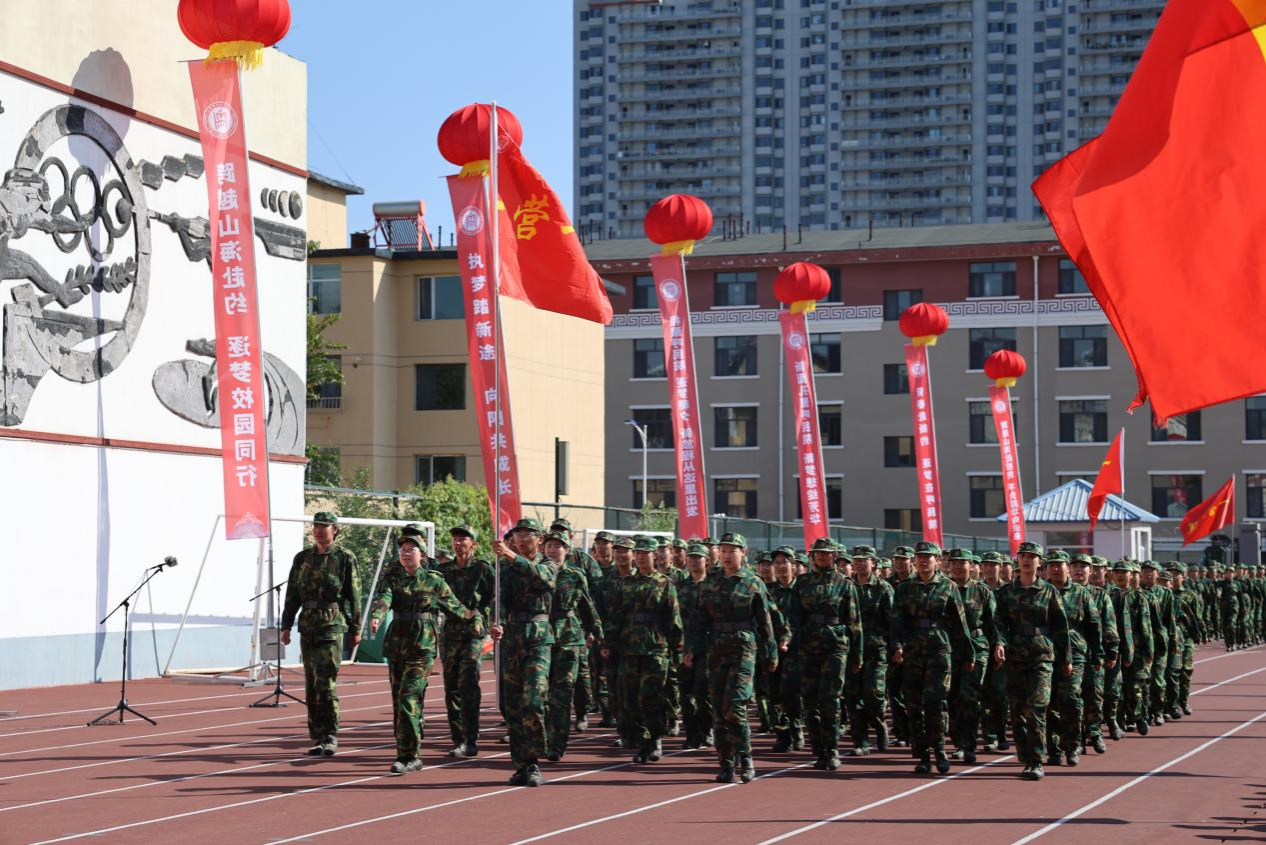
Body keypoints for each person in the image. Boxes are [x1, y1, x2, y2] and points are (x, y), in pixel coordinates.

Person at [369, 533, 479, 774]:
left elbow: (454, 606)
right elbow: (383, 598)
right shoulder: (393, 577)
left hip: (422, 647)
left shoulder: (434, 580)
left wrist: (476, 618)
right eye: (403, 550)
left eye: (411, 549)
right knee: (400, 702)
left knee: (408, 698)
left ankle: (409, 756)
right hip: (397, 646)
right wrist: (377, 616)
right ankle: (408, 745)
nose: (406, 553)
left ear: (422, 555)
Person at [686, 533, 778, 784]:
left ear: (743, 553)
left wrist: (771, 651)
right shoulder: (711, 582)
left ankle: (745, 757)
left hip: (743, 648)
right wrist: (690, 648)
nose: (726, 556)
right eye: (723, 551)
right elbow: (698, 619)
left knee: (735, 707)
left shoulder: (753, 582)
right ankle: (726, 764)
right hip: (716, 649)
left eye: (732, 551)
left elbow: (765, 621)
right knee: (718, 710)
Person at [280, 511, 361, 757]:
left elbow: (354, 595)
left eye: (323, 526)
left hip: (332, 625)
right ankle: (317, 735)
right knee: (311, 682)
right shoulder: (302, 558)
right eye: (315, 526)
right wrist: (286, 625)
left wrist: (356, 628)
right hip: (308, 625)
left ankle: (330, 735)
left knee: (326, 681)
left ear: (334, 529)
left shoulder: (345, 558)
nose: (317, 530)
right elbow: (292, 593)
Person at [890, 541, 974, 775]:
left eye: (928, 557)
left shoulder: (948, 587)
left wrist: (968, 652)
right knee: (914, 705)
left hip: (939, 651)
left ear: (938, 561)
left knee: (935, 703)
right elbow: (897, 621)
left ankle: (939, 750)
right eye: (919, 557)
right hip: (913, 653)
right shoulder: (904, 588)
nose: (923, 561)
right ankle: (922, 756)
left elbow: (960, 623)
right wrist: (896, 646)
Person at [489, 518, 558, 787]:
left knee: (534, 699)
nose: (521, 538)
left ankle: (536, 756)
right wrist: (496, 623)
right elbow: (499, 602)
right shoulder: (505, 569)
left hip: (538, 637)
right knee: (513, 705)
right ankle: (523, 763)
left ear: (540, 539)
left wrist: (510, 555)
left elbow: (542, 579)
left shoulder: (548, 564)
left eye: (527, 534)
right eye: (517, 534)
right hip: (512, 639)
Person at [995, 542, 1071, 781]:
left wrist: (1066, 658)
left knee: (1037, 707)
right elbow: (998, 623)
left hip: (1042, 656)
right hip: (1015, 657)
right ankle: (1025, 757)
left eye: (1032, 557)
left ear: (1040, 563)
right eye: (1023, 556)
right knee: (1018, 711)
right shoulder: (1005, 593)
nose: (1027, 560)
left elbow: (1060, 626)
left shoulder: (1049, 591)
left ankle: (1036, 760)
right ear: (1017, 560)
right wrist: (999, 643)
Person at [787, 537, 862, 771]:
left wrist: (857, 653)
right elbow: (794, 617)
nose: (821, 556)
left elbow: (854, 621)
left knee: (830, 700)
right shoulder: (802, 582)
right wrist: (790, 644)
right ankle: (818, 750)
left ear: (834, 556)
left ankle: (832, 749)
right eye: (817, 553)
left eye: (826, 553)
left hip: (835, 645)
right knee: (810, 701)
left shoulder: (845, 583)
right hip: (808, 646)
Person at [606, 536, 682, 764]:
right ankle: (643, 742)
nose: (640, 557)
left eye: (645, 553)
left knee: (649, 697)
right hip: (629, 648)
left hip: (655, 648)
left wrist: (677, 650)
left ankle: (655, 738)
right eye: (637, 553)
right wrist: (609, 644)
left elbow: (673, 619)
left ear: (654, 556)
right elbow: (615, 616)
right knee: (629, 699)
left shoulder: (664, 583)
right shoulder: (626, 583)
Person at [542, 530, 602, 762]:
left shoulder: (575, 575)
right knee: (541, 694)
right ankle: (543, 738)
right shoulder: (536, 572)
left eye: (557, 546)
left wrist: (595, 631)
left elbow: (586, 605)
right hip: (541, 636)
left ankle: (557, 744)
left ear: (567, 550)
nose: (552, 550)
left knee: (562, 694)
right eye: (549, 545)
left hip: (568, 638)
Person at [437, 524, 495, 759]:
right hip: (450, 632)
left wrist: (494, 621)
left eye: (463, 539)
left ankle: (470, 739)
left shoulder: (483, 568)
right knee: (451, 686)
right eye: (455, 539)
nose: (458, 542)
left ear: (474, 544)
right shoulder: (444, 570)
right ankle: (458, 739)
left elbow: (496, 597)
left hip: (473, 632)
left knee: (468, 684)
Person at [1043, 551, 1102, 768]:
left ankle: (1073, 745)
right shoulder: (1041, 591)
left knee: (1071, 700)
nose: (1055, 569)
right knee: (1049, 702)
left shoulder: (1080, 593)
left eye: (1059, 565)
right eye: (1051, 565)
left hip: (1075, 652)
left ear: (1067, 568)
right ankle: (1054, 748)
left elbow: (1094, 625)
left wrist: (1097, 653)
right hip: (1046, 652)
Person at [947, 548, 998, 764]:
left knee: (970, 697)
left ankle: (968, 745)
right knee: (951, 698)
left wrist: (998, 645)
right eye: (954, 563)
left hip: (976, 648)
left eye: (963, 563)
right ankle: (957, 740)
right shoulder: (943, 588)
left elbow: (993, 622)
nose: (958, 567)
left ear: (971, 566)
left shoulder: (981, 591)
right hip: (948, 648)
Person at [846, 544, 893, 756]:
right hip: (851, 649)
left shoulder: (883, 588)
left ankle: (879, 726)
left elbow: (893, 621)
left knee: (874, 694)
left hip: (876, 649)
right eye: (856, 560)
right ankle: (861, 741)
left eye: (864, 560)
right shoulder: (846, 586)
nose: (859, 564)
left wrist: (895, 647)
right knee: (853, 697)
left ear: (873, 563)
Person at [1077, 555, 1120, 754]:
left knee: (1095, 695)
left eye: (1084, 567)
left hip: (1094, 653)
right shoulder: (1060, 593)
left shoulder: (1100, 595)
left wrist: (1112, 651)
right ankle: (1077, 737)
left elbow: (1109, 624)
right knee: (1072, 697)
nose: (1079, 570)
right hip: (1071, 654)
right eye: (1076, 566)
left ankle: (1094, 732)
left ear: (1091, 571)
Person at [678, 543, 716, 750]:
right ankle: (691, 733)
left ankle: (707, 729)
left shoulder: (714, 586)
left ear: (707, 561)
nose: (693, 561)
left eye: (698, 558)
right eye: (690, 557)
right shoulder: (680, 587)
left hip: (708, 646)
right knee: (686, 693)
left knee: (704, 692)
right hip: (684, 645)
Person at [768, 547, 803, 754]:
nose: (781, 566)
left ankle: (796, 729)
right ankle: (782, 734)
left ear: (794, 565)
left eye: (785, 562)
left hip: (799, 649)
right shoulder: (768, 592)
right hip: (773, 650)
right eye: (777, 563)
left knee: (793, 692)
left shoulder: (803, 590)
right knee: (774, 693)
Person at [886, 544, 915, 748]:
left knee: (914, 691)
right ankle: (901, 731)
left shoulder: (917, 584)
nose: (899, 563)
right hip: (891, 643)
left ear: (911, 562)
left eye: (904, 559)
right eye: (897, 559)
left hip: (916, 645)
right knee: (895, 690)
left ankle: (916, 730)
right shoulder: (887, 585)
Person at [1166, 562, 1203, 717]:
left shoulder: (1190, 596)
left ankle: (1183, 701)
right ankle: (1171, 705)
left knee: (1186, 671)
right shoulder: (1163, 594)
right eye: (1170, 574)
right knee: (1171, 672)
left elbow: (1197, 618)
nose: (1173, 577)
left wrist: (1200, 634)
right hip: (1168, 638)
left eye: (1177, 574)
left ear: (1183, 577)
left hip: (1186, 638)